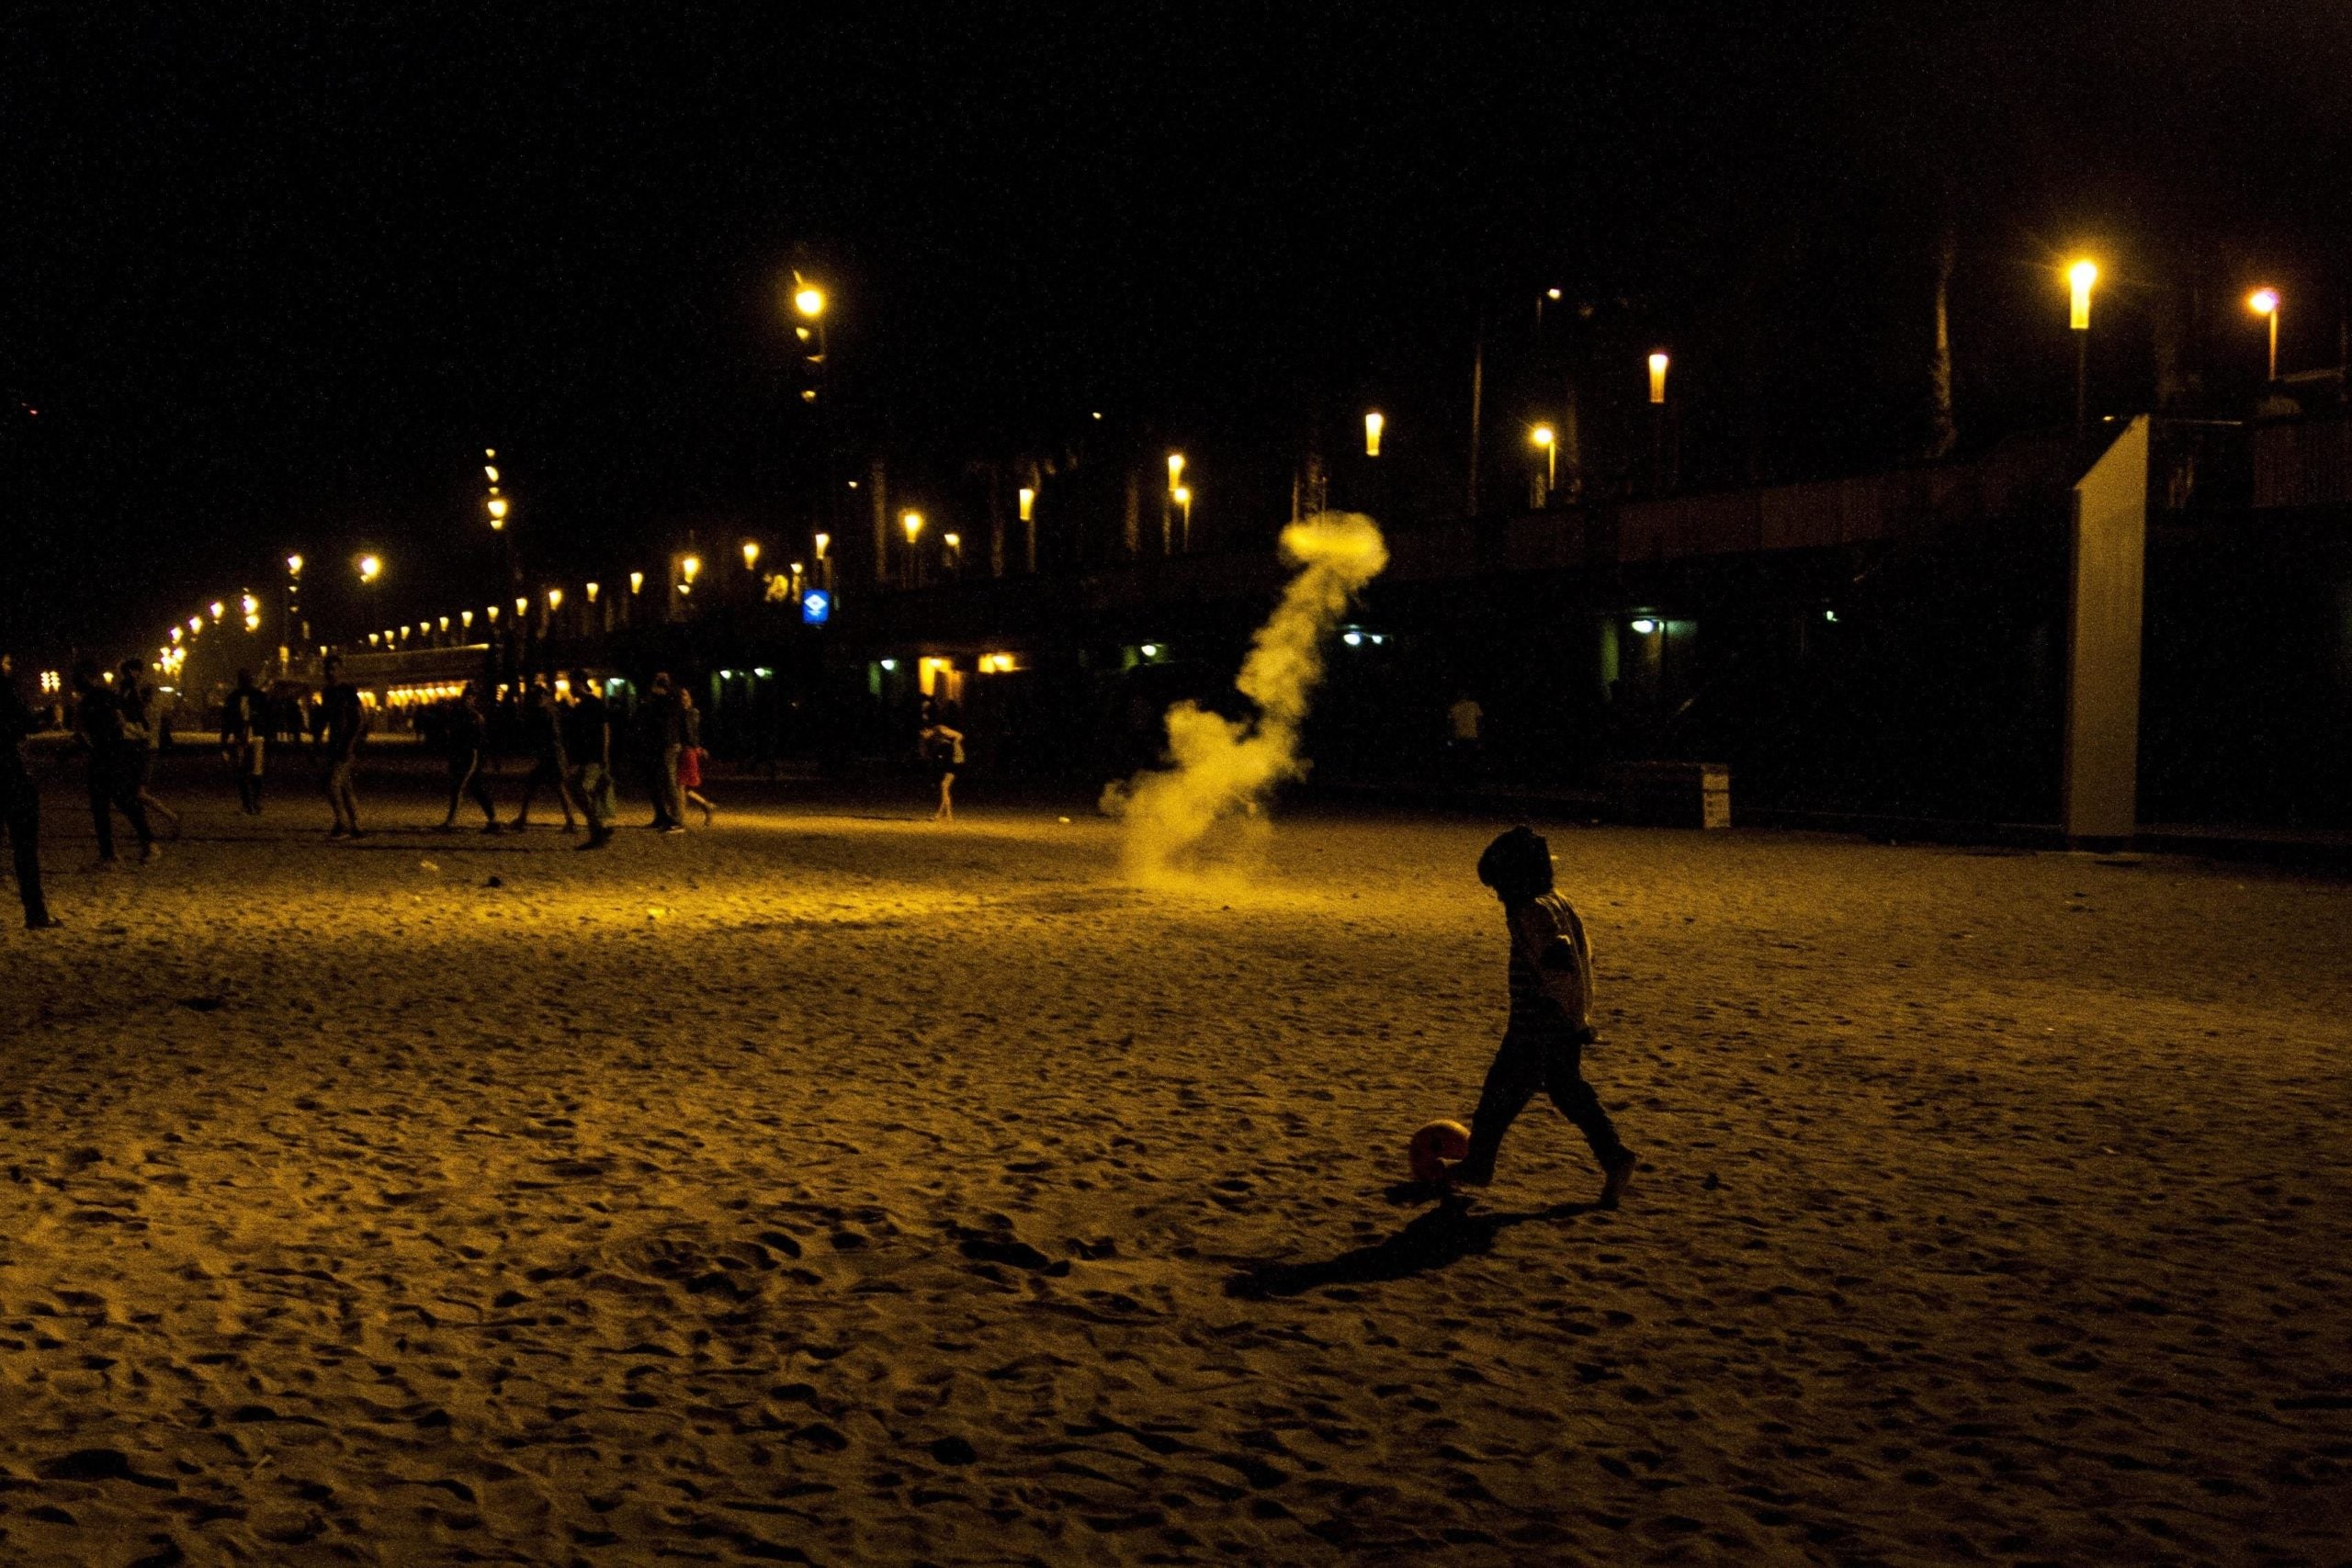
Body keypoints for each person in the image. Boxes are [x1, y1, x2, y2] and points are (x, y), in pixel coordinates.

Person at [1445, 826, 1637, 1208]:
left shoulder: (1531, 911)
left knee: (1498, 1096)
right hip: (1560, 1023)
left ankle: (1479, 1166)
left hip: (1539, 1027)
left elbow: (1562, 966)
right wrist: (1578, 1017)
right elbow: (1583, 961)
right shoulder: (1556, 902)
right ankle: (1616, 1158)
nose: (1498, 894)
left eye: (1500, 884)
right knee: (1568, 1093)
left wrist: (1567, 1017)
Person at [73, 659, 156, 864]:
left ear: (85, 678)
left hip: (108, 757)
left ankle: (121, 851)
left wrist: (99, 741)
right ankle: (117, 851)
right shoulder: (101, 697)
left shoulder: (96, 699)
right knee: (115, 804)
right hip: (110, 756)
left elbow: (114, 723)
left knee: (113, 804)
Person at [1, 652, 59, 928]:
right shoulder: (6, 692)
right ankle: (35, 912)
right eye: (6, 662)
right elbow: (24, 724)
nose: (10, 666)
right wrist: (49, 716)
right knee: (25, 849)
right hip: (11, 777)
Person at [117, 657, 181, 835]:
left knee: (138, 793)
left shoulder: (147, 712)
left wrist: (125, 725)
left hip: (146, 750)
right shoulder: (152, 710)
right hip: (147, 749)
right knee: (135, 792)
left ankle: (171, 817)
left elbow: (144, 734)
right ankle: (153, 825)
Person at [510, 681, 580, 832]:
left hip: (552, 755)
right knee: (536, 786)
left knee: (558, 788)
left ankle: (571, 821)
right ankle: (523, 818)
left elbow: (553, 735)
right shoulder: (546, 711)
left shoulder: (547, 713)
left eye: (541, 696)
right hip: (549, 755)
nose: (538, 698)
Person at [563, 670, 616, 850]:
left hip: (593, 756)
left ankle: (598, 831)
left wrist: (604, 754)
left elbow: (605, 729)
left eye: (572, 684)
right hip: (583, 757)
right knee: (576, 788)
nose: (570, 688)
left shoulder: (594, 704)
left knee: (579, 788)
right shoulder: (579, 706)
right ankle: (598, 829)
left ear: (580, 683)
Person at [315, 654, 368, 839]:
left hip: (346, 744)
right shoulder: (327, 692)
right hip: (334, 744)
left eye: (334, 669)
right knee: (345, 786)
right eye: (327, 669)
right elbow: (326, 718)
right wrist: (319, 739)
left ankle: (342, 823)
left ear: (340, 671)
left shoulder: (347, 691)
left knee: (333, 785)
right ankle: (356, 825)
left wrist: (351, 743)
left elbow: (360, 718)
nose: (330, 673)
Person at [437, 683, 502, 832]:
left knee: (458, 787)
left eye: (470, 697)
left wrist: (492, 759)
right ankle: (493, 820)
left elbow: (484, 740)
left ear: (474, 699)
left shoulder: (475, 717)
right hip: (461, 754)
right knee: (476, 788)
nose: (467, 699)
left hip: (471, 755)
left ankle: (451, 821)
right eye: (466, 696)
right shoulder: (459, 715)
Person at [635, 672, 686, 834]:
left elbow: (667, 717)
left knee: (670, 782)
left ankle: (677, 821)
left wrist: (659, 690)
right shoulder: (657, 699)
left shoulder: (672, 698)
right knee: (655, 782)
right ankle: (662, 816)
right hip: (656, 743)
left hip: (668, 744)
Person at [220, 667, 269, 815]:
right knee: (241, 771)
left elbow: (267, 716)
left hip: (256, 735)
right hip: (241, 736)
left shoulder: (258, 696)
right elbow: (227, 720)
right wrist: (224, 741)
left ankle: (254, 802)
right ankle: (248, 803)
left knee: (256, 771)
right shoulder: (234, 698)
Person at [920, 701, 965, 823]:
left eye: (923, 732)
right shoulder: (931, 741)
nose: (922, 735)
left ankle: (946, 815)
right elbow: (925, 755)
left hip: (956, 758)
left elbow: (959, 735)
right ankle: (945, 815)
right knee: (944, 786)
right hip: (948, 759)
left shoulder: (939, 730)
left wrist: (955, 744)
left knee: (944, 786)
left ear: (927, 729)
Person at [677, 688, 715, 827]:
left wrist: (696, 747)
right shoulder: (686, 713)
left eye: (685, 695)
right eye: (681, 695)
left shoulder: (690, 713)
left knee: (680, 784)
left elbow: (691, 733)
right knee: (683, 786)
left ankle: (679, 819)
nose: (682, 697)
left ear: (690, 698)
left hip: (688, 751)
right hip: (687, 750)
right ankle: (706, 805)